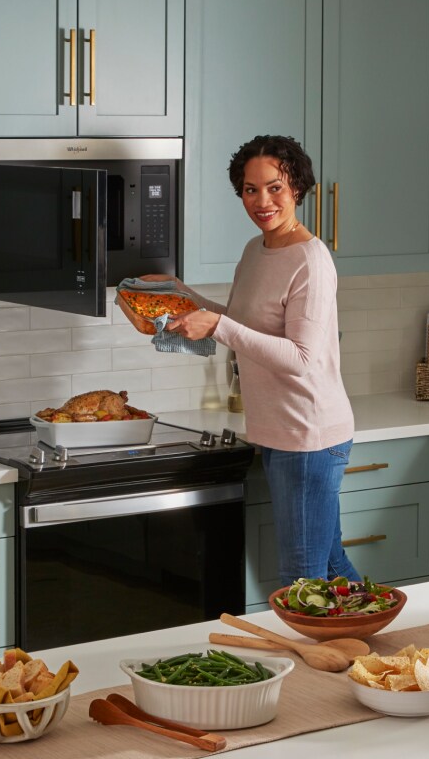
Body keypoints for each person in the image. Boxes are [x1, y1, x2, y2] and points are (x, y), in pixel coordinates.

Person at [148, 134, 359, 587]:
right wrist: (182, 294)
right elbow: (245, 324)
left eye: (274, 187)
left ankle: (337, 656)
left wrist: (218, 327)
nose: (262, 201)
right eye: (250, 189)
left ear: (297, 188)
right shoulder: (256, 250)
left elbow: (301, 358)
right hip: (282, 432)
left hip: (309, 436)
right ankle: (386, 650)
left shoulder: (311, 260)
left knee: (301, 582)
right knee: (331, 569)